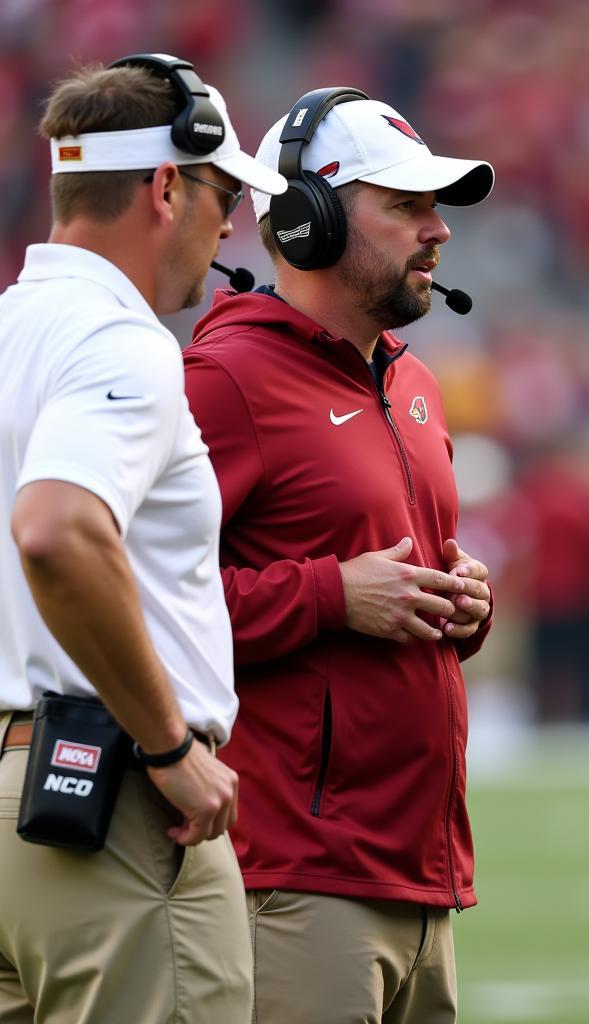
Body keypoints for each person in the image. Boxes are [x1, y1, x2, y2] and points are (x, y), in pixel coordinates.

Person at [182, 87, 495, 1024]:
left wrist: (456, 604)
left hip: (422, 877)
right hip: (294, 877)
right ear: (306, 218)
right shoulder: (225, 383)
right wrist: (329, 595)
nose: (437, 230)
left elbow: (384, 588)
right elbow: (132, 604)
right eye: (405, 206)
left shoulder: (418, 385)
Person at [0, 55, 286, 1022]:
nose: (230, 224)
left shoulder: (9, 329)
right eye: (221, 194)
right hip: (108, 807)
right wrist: (167, 746)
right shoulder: (119, 343)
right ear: (167, 185)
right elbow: (56, 531)